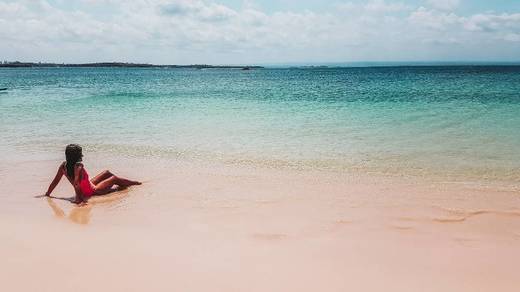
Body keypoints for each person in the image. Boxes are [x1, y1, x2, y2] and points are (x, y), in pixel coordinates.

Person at [42, 144, 141, 204]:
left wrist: (48, 194)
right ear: (77, 156)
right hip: (91, 191)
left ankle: (127, 184)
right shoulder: (78, 166)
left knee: (107, 173)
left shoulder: (64, 166)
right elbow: (76, 184)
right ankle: (136, 183)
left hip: (88, 186)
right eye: (80, 153)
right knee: (114, 178)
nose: (82, 155)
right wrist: (79, 200)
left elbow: (55, 181)